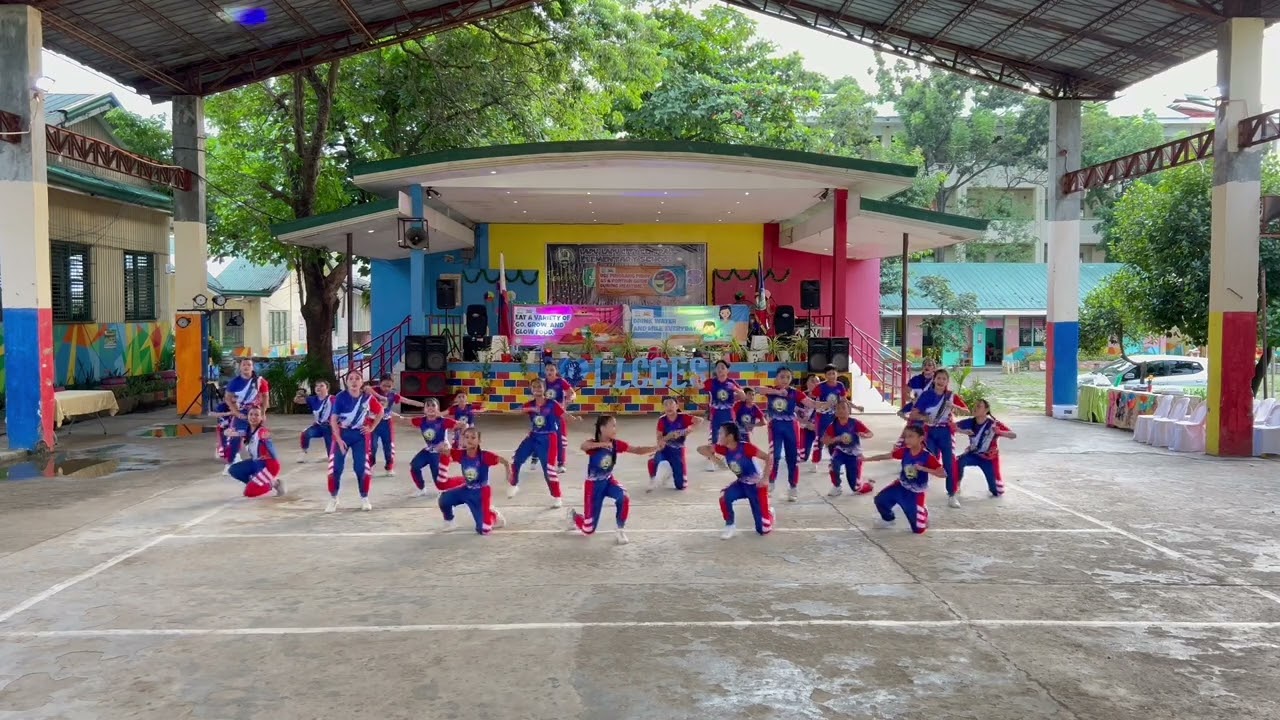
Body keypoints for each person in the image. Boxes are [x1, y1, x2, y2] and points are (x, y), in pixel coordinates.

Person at [570, 416, 657, 545]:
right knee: (588, 530)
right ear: (602, 428)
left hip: (608, 481)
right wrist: (603, 444)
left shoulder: (616, 444)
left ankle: (620, 529)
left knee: (623, 496)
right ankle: (574, 517)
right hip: (593, 487)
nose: (615, 429)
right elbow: (584, 446)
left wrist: (656, 448)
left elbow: (637, 450)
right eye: (613, 425)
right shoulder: (593, 444)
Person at [697, 423, 774, 539]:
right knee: (724, 496)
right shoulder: (724, 449)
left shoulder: (746, 447)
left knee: (763, 529)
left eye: (721, 433)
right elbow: (700, 449)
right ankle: (730, 525)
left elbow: (769, 457)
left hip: (757, 486)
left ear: (730, 436)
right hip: (742, 484)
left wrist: (765, 478)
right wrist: (714, 459)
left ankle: (770, 513)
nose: (718, 436)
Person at [864, 425, 945, 534]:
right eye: (906, 437)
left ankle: (923, 510)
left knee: (918, 530)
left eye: (911, 436)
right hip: (900, 486)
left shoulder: (927, 456)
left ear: (921, 438)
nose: (907, 440)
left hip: (916, 493)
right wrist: (867, 459)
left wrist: (923, 468)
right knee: (879, 500)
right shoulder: (905, 451)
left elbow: (943, 474)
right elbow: (887, 456)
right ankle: (889, 519)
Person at [757, 367, 821, 502]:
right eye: (782, 377)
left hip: (791, 428)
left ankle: (793, 487)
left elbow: (812, 403)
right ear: (776, 378)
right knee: (775, 456)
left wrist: (827, 404)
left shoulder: (795, 393)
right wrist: (777, 391)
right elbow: (758, 389)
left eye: (787, 377)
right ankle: (771, 482)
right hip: (775, 427)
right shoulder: (770, 390)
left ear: (791, 379)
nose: (785, 380)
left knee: (792, 458)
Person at [909, 368, 969, 508]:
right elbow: (913, 415)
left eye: (944, 379)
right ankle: (916, 490)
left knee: (949, 463)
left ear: (947, 382)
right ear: (934, 380)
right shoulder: (926, 396)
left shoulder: (951, 396)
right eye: (939, 378)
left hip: (946, 433)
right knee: (927, 461)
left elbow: (967, 411)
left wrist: (953, 406)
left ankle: (952, 494)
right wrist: (924, 417)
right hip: (929, 432)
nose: (941, 381)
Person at [510, 377, 574, 506]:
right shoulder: (530, 404)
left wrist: (573, 418)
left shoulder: (552, 404)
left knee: (548, 469)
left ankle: (557, 496)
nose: (537, 389)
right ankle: (514, 484)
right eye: (534, 387)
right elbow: (515, 411)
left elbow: (564, 415)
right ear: (531, 389)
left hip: (549, 438)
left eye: (540, 386)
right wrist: (531, 409)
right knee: (516, 459)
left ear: (544, 388)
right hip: (534, 436)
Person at [327, 370, 383, 513]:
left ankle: (364, 497)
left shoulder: (368, 398)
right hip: (342, 434)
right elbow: (333, 419)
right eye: (350, 378)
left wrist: (371, 427)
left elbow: (381, 411)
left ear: (361, 382)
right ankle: (334, 498)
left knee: (361, 468)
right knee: (335, 469)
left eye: (357, 378)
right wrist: (339, 440)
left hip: (359, 436)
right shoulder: (340, 397)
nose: (353, 381)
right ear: (346, 382)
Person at [438, 428, 510, 535]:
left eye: (473, 437)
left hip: (481, 493)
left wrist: (508, 472)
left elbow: (504, 461)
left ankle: (493, 515)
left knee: (483, 530)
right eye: (466, 437)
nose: (469, 440)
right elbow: (446, 452)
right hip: (466, 489)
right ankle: (450, 522)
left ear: (479, 441)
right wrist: (442, 448)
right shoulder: (461, 454)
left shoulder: (485, 456)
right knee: (444, 499)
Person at [955, 399, 1017, 502]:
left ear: (986, 410)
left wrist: (1000, 432)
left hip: (990, 459)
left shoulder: (994, 424)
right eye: (974, 405)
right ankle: (956, 485)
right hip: (974, 455)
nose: (975, 408)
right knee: (958, 461)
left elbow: (1013, 435)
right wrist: (963, 431)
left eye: (979, 406)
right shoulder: (969, 422)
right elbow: (951, 426)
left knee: (997, 492)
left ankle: (995, 485)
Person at [365, 376, 426, 477]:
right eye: (384, 385)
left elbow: (407, 401)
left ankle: (389, 467)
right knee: (372, 446)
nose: (386, 388)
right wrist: (380, 397)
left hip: (386, 423)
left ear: (392, 386)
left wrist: (423, 405)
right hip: (372, 422)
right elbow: (366, 388)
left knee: (388, 446)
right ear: (379, 384)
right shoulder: (374, 390)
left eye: (389, 386)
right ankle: (370, 465)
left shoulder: (393, 395)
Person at [810, 365, 861, 468]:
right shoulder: (820, 387)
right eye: (829, 374)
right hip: (822, 417)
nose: (832, 376)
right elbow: (812, 400)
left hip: (835, 417)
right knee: (820, 439)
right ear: (825, 375)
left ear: (837, 374)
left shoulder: (840, 385)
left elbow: (844, 400)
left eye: (834, 373)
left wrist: (856, 407)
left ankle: (835, 462)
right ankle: (815, 461)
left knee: (835, 439)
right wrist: (824, 405)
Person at [223, 358, 270, 470]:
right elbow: (228, 398)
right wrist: (236, 412)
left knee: (258, 438)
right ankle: (230, 463)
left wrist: (263, 413)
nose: (246, 367)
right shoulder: (234, 382)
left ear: (252, 367)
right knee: (235, 437)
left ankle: (261, 463)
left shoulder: (260, 381)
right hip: (242, 413)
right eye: (244, 364)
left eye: (249, 365)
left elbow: (265, 397)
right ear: (240, 367)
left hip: (255, 413)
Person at [226, 407, 284, 498]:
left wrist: (266, 438)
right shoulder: (248, 431)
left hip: (268, 465)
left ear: (262, 418)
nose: (253, 417)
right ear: (247, 416)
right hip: (256, 462)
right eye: (251, 414)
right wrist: (228, 432)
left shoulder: (262, 431)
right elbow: (236, 433)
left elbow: (266, 437)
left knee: (249, 493)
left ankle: (273, 484)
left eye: (256, 415)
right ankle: (256, 482)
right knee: (233, 470)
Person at [405, 398, 458, 497]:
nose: (430, 408)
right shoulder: (421, 421)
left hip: (439, 453)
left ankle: (448, 488)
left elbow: (463, 425)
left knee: (438, 481)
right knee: (414, 466)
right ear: (424, 409)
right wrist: (385, 413)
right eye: (427, 406)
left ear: (438, 409)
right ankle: (421, 488)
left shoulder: (444, 421)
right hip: (428, 450)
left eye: (433, 405)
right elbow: (402, 420)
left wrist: (451, 442)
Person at [647, 397, 701, 492]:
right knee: (660, 462)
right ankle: (655, 468)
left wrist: (688, 429)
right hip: (665, 449)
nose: (669, 407)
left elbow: (700, 420)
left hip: (678, 451)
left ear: (676, 406)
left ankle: (670, 471)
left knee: (680, 486)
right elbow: (659, 440)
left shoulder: (683, 417)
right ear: (663, 408)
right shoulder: (662, 420)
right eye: (666, 405)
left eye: (671, 404)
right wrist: (668, 436)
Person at [823, 400, 875, 496]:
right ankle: (837, 486)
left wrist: (864, 435)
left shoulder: (855, 423)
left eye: (843, 408)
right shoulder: (833, 425)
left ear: (849, 410)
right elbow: (824, 440)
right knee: (833, 464)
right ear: (835, 411)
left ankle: (869, 485)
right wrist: (835, 439)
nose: (841, 410)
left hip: (854, 454)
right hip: (840, 452)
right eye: (838, 408)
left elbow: (870, 433)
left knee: (855, 488)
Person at [702, 361, 745, 469]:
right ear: (715, 370)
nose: (720, 370)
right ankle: (713, 460)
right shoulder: (711, 382)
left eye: (722, 367)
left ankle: (730, 458)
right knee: (715, 437)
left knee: (730, 437)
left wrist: (736, 390)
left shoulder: (732, 382)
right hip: (716, 414)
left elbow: (743, 397)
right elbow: (699, 386)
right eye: (718, 368)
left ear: (727, 370)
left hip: (728, 414)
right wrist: (694, 380)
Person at [542, 362, 576, 476]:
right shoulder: (543, 383)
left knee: (560, 439)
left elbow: (572, 393)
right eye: (547, 370)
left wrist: (570, 399)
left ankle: (561, 463)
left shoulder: (561, 382)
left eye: (552, 370)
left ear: (556, 371)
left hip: (559, 415)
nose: (549, 372)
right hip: (546, 416)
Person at [296, 380, 333, 463]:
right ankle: (304, 451)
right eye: (317, 386)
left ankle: (333, 455)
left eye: (321, 385)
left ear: (327, 388)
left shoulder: (333, 399)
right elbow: (297, 401)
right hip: (319, 426)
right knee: (305, 433)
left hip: (330, 428)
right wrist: (298, 394)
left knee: (331, 454)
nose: (318, 387)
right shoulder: (312, 399)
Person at [797, 374, 822, 466]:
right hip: (805, 428)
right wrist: (807, 424)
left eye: (817, 381)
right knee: (803, 457)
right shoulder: (800, 396)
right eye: (812, 381)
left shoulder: (824, 397)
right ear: (806, 383)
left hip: (820, 429)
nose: (815, 383)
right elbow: (795, 415)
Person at [209, 389, 237, 464]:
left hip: (232, 427)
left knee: (232, 441)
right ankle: (220, 449)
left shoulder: (237, 405)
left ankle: (232, 455)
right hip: (222, 428)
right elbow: (211, 414)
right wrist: (227, 413)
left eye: (235, 397)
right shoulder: (222, 406)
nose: (233, 399)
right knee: (224, 442)